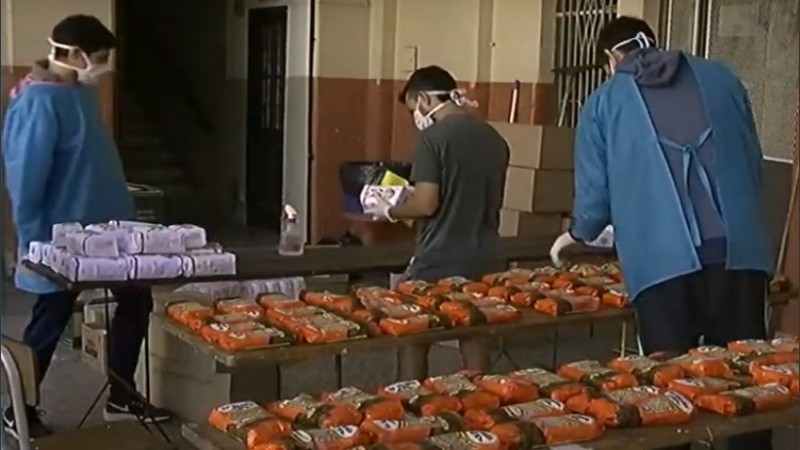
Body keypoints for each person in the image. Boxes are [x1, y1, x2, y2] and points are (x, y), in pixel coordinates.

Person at [550, 17, 774, 450]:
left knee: (669, 384)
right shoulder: (721, 76)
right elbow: (751, 157)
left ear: (610, 58)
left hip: (663, 263)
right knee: (749, 380)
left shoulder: (604, 101)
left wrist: (578, 232)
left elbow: (595, 196)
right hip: (739, 254)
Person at [2, 15, 171, 439]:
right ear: (73, 54)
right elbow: (26, 181)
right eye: (97, 57)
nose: (102, 65)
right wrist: (35, 246)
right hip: (63, 239)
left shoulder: (77, 92)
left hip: (110, 233)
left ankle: (121, 394)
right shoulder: (38, 102)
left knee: (135, 302)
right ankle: (17, 408)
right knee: (50, 318)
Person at [369, 66, 509, 380]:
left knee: (415, 335)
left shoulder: (432, 139)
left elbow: (427, 202)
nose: (415, 117)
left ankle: (415, 405)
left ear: (422, 99)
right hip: (485, 253)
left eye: (412, 109)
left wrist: (390, 208)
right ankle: (481, 399)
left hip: (439, 256)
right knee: (474, 332)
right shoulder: (494, 138)